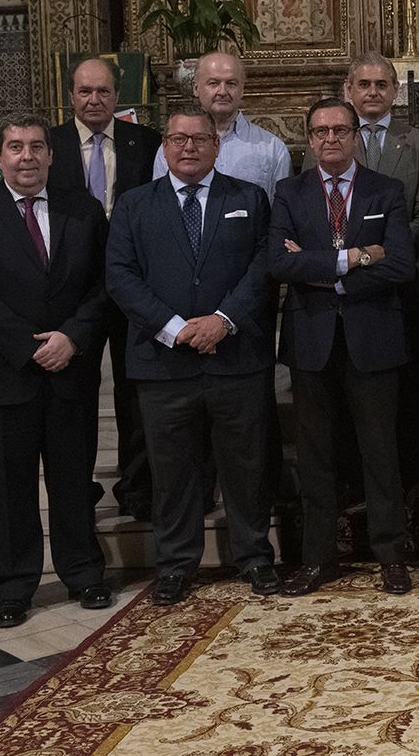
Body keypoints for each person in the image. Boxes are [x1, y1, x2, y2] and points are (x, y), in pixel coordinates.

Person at [108, 105, 279, 605]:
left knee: (245, 467)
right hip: (164, 363)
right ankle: (176, 565)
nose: (189, 147)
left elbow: (263, 267)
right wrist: (175, 328)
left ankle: (254, 556)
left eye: (199, 139)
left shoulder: (248, 198)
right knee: (172, 472)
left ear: (216, 146)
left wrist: (223, 320)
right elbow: (120, 275)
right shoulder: (134, 204)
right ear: (164, 146)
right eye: (179, 139)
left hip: (235, 358)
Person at [0, 114, 113, 629]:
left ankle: (83, 573)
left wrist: (72, 337)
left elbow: (105, 284)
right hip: (3, 376)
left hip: (70, 370)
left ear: (51, 155)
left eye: (36, 147)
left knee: (72, 482)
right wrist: (30, 347)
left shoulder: (83, 210)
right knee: (8, 489)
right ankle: (15, 587)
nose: (27, 157)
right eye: (16, 147)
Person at [271, 97, 415, 596]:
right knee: (315, 456)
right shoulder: (288, 192)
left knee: (380, 452)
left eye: (340, 130)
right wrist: (356, 257)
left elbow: (402, 265)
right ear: (309, 139)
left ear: (356, 135)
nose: (330, 139)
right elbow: (278, 264)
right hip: (311, 340)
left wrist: (315, 265)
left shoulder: (386, 190)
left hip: (372, 338)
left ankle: (391, 555)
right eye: (321, 131)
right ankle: (319, 559)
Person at [47, 56, 162, 521]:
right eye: (84, 91)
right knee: (75, 394)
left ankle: (137, 490)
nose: (94, 100)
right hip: (74, 293)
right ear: (70, 95)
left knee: (135, 391)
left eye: (103, 91)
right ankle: (79, 491)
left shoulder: (146, 142)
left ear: (117, 96)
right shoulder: (49, 145)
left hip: (134, 286)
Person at [335, 52, 419, 507]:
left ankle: (415, 478)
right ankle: (357, 482)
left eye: (382, 84)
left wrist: (388, 248)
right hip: (349, 290)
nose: (373, 92)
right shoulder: (333, 138)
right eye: (364, 84)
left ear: (395, 92)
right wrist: (357, 257)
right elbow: (318, 208)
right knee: (354, 388)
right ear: (349, 90)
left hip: (405, 285)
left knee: (411, 386)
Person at [153, 50, 291, 202]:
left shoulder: (272, 148)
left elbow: (280, 210)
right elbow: (160, 204)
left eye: (231, 83)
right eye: (213, 83)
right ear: (196, 88)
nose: (223, 91)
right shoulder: (172, 148)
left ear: (242, 89)